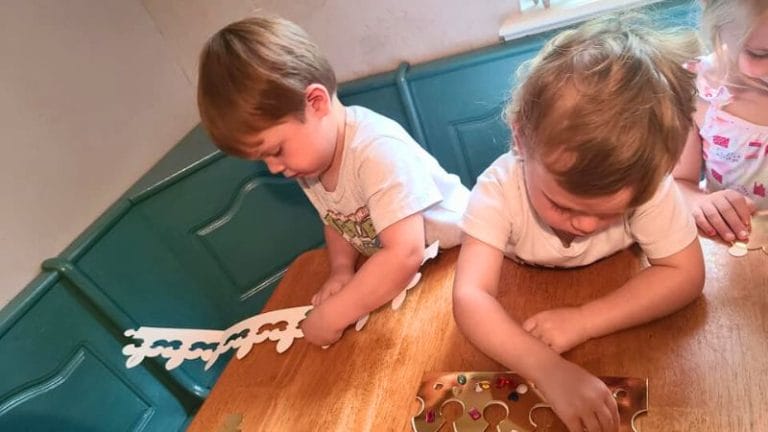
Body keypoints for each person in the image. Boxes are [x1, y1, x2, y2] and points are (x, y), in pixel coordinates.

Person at [452, 15, 705, 432]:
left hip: (610, 291)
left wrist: (586, 320)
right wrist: (546, 370)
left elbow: (687, 275)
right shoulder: (497, 191)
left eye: (610, 213)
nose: (586, 225)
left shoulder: (645, 183)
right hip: (523, 286)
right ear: (521, 138)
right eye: (563, 205)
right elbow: (471, 298)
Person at [197, 14, 469, 347]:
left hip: (463, 254)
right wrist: (342, 269)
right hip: (421, 268)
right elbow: (339, 219)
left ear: (316, 102)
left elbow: (403, 254)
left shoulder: (376, 151)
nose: (274, 168)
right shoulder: (309, 161)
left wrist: (332, 315)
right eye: (263, 159)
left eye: (276, 150)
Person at [673, 0, 768, 243]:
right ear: (718, 30)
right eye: (761, 54)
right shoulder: (699, 91)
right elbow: (680, 183)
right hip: (735, 245)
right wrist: (702, 202)